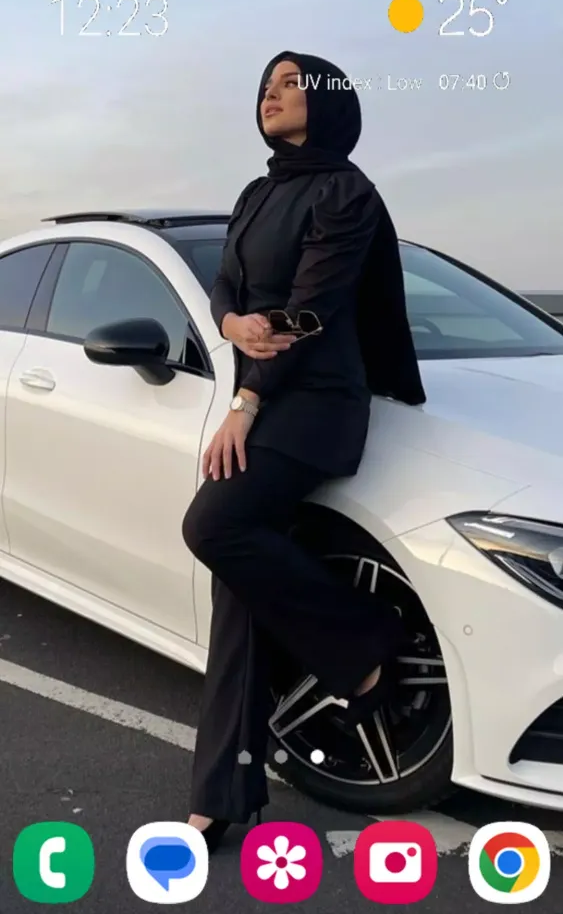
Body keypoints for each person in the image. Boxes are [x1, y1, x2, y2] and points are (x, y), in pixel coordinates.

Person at [182, 49, 426, 853]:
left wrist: (246, 401)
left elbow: (313, 306)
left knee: (214, 525)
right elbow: (226, 285)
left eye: (290, 83)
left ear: (327, 100)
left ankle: (363, 644)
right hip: (261, 393)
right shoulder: (256, 194)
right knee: (240, 586)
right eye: (266, 84)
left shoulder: (345, 192)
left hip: (315, 402)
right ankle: (222, 792)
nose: (272, 94)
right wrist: (230, 324)